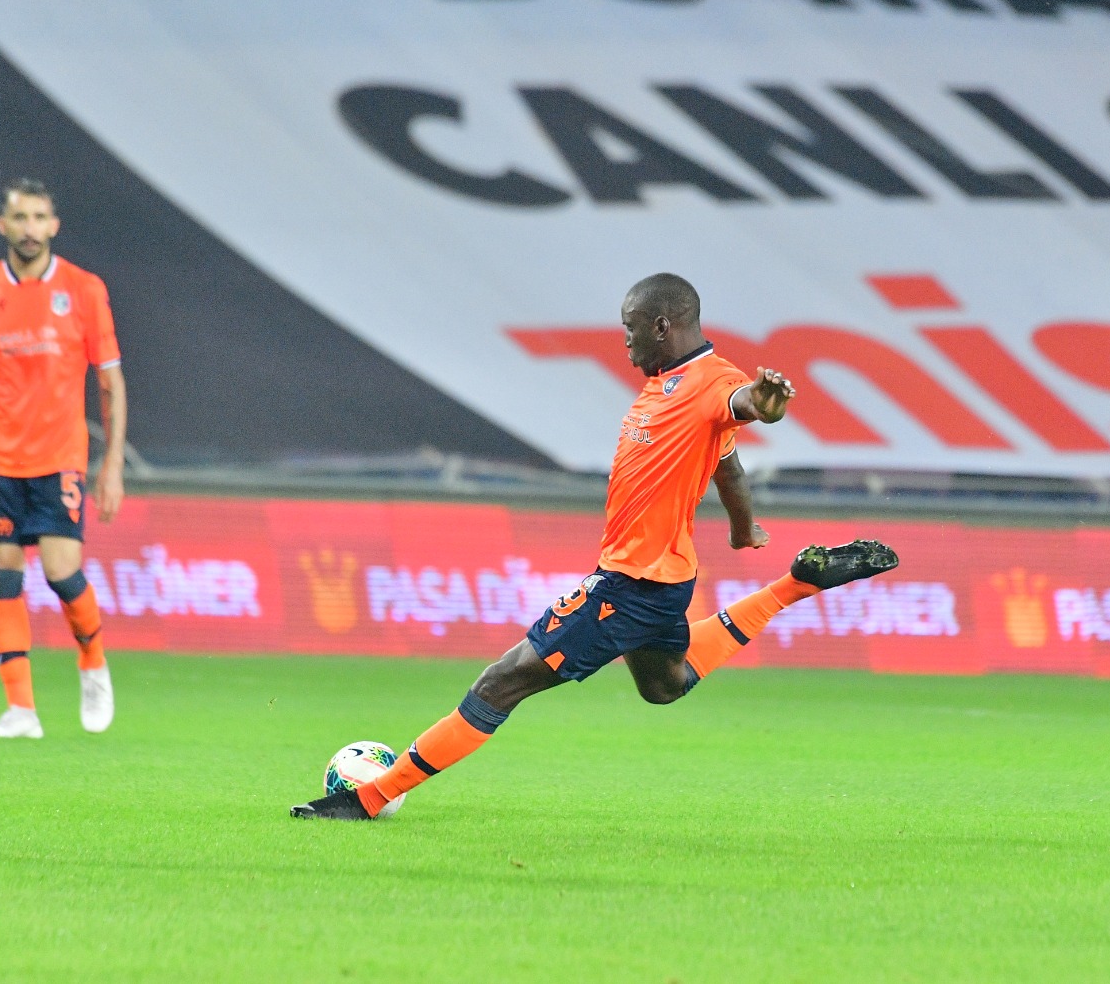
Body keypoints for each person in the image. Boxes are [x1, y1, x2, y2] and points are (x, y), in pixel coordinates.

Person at [292, 272, 898, 820]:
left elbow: (745, 404)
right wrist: (743, 529)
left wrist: (762, 407)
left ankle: (367, 799)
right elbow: (727, 460)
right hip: (665, 582)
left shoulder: (716, 384)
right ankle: (798, 585)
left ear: (663, 325)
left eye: (631, 330)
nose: (626, 343)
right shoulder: (673, 388)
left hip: (629, 584)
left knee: (500, 684)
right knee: (665, 685)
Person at [0, 179, 127, 739]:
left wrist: (112, 463)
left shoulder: (84, 289)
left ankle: (92, 659)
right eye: (18, 217)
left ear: (54, 225)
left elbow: (110, 380)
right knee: (2, 575)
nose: (28, 227)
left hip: (60, 454)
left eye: (39, 217)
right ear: (2, 224)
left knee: (62, 571)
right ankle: (21, 711)